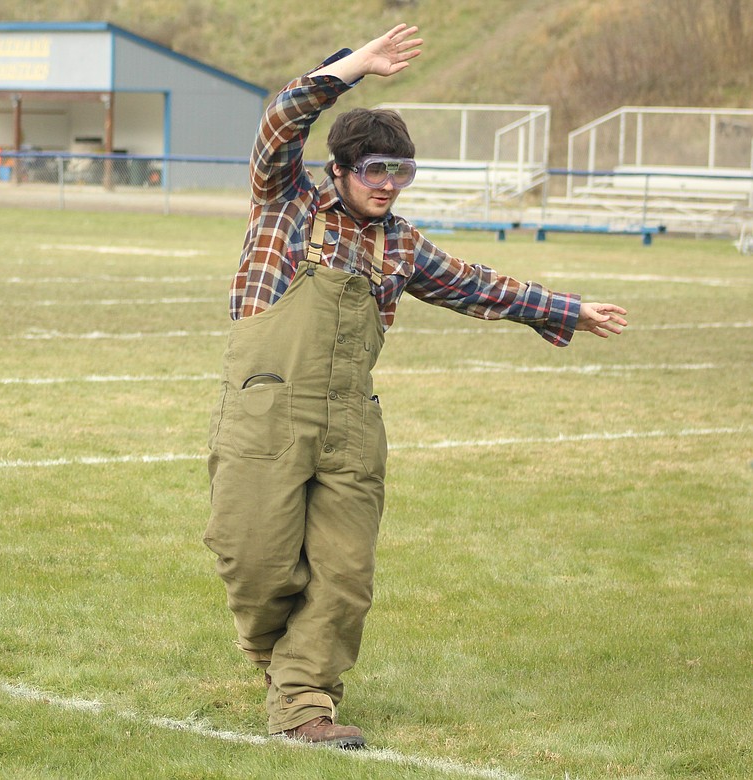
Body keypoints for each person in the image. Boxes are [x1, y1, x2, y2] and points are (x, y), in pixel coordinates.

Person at [203, 24, 627, 749]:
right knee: (255, 561)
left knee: (344, 576)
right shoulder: (284, 204)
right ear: (339, 170)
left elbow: (472, 283)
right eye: (375, 169)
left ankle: (306, 705)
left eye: (401, 172)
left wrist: (566, 309)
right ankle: (278, 660)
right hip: (265, 414)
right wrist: (352, 68)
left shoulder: (401, 243)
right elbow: (281, 120)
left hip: (351, 423)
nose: (388, 185)